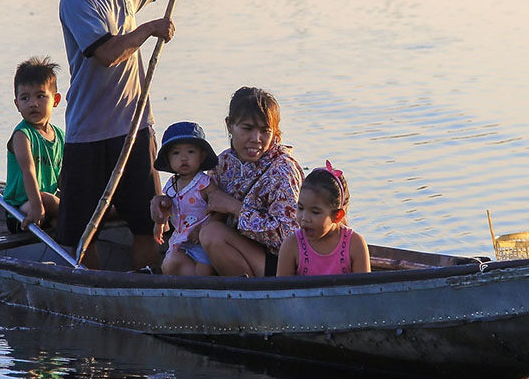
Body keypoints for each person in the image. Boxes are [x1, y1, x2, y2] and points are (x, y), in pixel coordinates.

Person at [56, 0, 212, 269]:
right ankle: (90, 290)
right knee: (80, 230)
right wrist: (147, 30)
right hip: (88, 133)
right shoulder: (76, 0)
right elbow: (108, 54)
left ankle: (148, 285)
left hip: (133, 128)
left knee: (147, 223)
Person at [200, 87, 304, 277]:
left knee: (211, 234)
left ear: (275, 133)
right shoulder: (222, 163)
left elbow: (289, 238)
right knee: (181, 259)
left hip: (281, 265)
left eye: (265, 131)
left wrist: (235, 208)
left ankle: (251, 296)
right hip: (235, 253)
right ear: (230, 125)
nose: (256, 139)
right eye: (247, 128)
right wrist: (165, 205)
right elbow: (197, 204)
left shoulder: (282, 170)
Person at [276, 163, 371, 276]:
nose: (305, 218)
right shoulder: (292, 246)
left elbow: (364, 290)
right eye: (300, 208)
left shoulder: (355, 245)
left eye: (315, 212)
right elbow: (282, 291)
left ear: (337, 216)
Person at [3, 57, 64, 231]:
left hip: (47, 204)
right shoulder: (22, 135)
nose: (33, 103)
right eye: (25, 98)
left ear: (56, 100)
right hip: (20, 209)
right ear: (17, 104)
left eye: (40, 96)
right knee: (46, 199)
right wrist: (37, 206)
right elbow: (28, 171)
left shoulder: (60, 136)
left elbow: (63, 177)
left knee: (76, 204)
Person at [151, 122, 218, 277]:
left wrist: (201, 230)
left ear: (202, 156)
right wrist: (159, 224)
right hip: (180, 238)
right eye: (176, 153)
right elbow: (165, 208)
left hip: (200, 239)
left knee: (204, 270)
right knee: (169, 266)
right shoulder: (171, 185)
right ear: (168, 159)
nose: (183, 158)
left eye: (190, 152)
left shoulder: (204, 184)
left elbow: (218, 210)